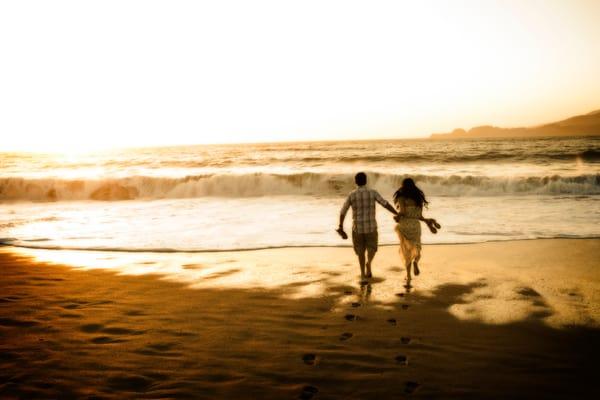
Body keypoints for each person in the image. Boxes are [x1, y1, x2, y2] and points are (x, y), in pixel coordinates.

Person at [338, 172, 398, 281]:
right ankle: (369, 263)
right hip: (371, 227)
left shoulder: (352, 195)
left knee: (360, 251)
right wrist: (396, 213)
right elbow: (385, 204)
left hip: (357, 228)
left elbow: (343, 211)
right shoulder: (372, 192)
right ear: (366, 181)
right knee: (372, 248)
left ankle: (362, 274)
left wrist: (340, 226)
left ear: (356, 181)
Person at [393, 178, 440, 280]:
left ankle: (409, 275)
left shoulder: (401, 197)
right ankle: (416, 261)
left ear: (403, 186)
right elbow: (419, 216)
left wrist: (397, 216)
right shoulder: (418, 198)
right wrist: (427, 221)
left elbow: (403, 212)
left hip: (404, 225)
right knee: (417, 247)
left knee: (406, 251)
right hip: (415, 225)